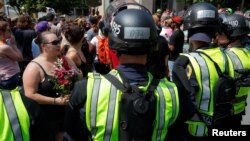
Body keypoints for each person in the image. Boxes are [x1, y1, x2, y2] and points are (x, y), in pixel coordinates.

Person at [64, 4, 192, 141]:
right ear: (153, 46)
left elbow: (71, 136)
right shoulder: (172, 92)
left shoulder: (86, 89)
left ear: (112, 44)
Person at [172, 2, 226, 140]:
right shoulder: (227, 55)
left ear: (189, 30)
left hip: (194, 131)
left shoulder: (186, 62)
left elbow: (182, 103)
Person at [22, 31, 81, 141]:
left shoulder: (64, 60)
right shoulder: (33, 67)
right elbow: (29, 94)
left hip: (69, 114)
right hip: (48, 118)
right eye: (54, 42)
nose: (59, 44)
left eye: (58, 41)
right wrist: (55, 101)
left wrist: (77, 75)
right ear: (44, 46)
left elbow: (78, 76)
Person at [216, 13, 250, 125]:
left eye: (221, 33)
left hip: (221, 115)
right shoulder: (248, 54)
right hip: (239, 112)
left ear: (232, 35)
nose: (218, 36)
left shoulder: (223, 56)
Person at [0, 21, 23, 90]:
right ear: (1, 32)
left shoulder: (4, 43)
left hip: (5, 77)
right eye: (8, 30)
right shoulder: (4, 47)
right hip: (11, 77)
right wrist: (14, 45)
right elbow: (20, 58)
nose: (11, 32)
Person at [168, 16, 184, 81]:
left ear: (175, 24)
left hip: (172, 59)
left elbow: (171, 48)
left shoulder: (174, 34)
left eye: (172, 22)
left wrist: (165, 45)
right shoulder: (181, 32)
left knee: (172, 76)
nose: (171, 23)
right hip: (178, 57)